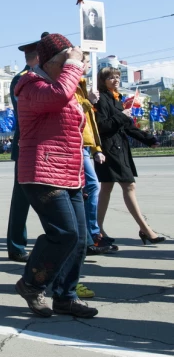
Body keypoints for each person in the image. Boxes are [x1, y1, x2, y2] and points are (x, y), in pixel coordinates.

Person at [13, 33, 97, 318]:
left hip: (69, 172)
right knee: (64, 234)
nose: (72, 65)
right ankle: (31, 284)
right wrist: (74, 66)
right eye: (65, 60)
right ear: (48, 63)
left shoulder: (65, 84)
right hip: (40, 172)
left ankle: (66, 296)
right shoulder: (30, 85)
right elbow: (58, 97)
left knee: (81, 239)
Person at [94, 67, 165, 245]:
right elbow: (101, 126)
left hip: (118, 148)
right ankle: (145, 229)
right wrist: (121, 116)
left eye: (117, 77)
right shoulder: (101, 99)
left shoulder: (116, 98)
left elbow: (127, 127)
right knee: (129, 185)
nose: (115, 80)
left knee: (107, 188)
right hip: (109, 149)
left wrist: (149, 139)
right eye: (111, 77)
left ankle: (96, 229)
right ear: (103, 80)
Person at [6, 34, 43, 263]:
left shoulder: (40, 77)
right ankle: (16, 245)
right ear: (38, 57)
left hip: (39, 144)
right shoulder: (23, 79)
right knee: (22, 199)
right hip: (27, 144)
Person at [75, 53, 113, 258]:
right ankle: (91, 235)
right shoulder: (73, 85)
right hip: (77, 145)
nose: (89, 65)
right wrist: (89, 101)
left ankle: (91, 235)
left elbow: (90, 122)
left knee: (88, 188)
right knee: (90, 187)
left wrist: (96, 147)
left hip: (86, 145)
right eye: (87, 62)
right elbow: (71, 114)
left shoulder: (81, 83)